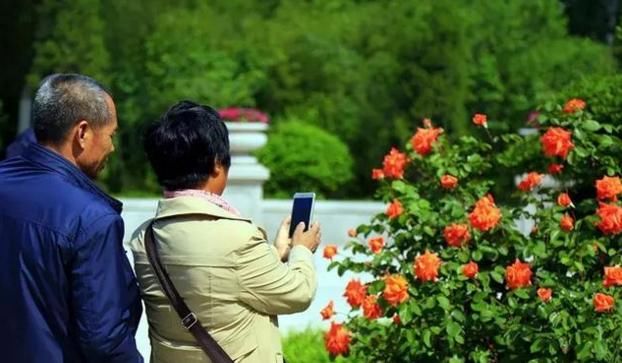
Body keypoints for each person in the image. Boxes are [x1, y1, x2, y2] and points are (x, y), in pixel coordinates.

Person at [129, 100, 320, 363]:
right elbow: (298, 294)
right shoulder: (238, 237)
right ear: (217, 163)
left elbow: (218, 281)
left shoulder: (144, 239)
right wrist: (301, 249)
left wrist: (275, 253)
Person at [0, 73, 143, 362]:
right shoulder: (91, 219)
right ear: (82, 133)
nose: (112, 148)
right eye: (111, 135)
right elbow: (106, 341)